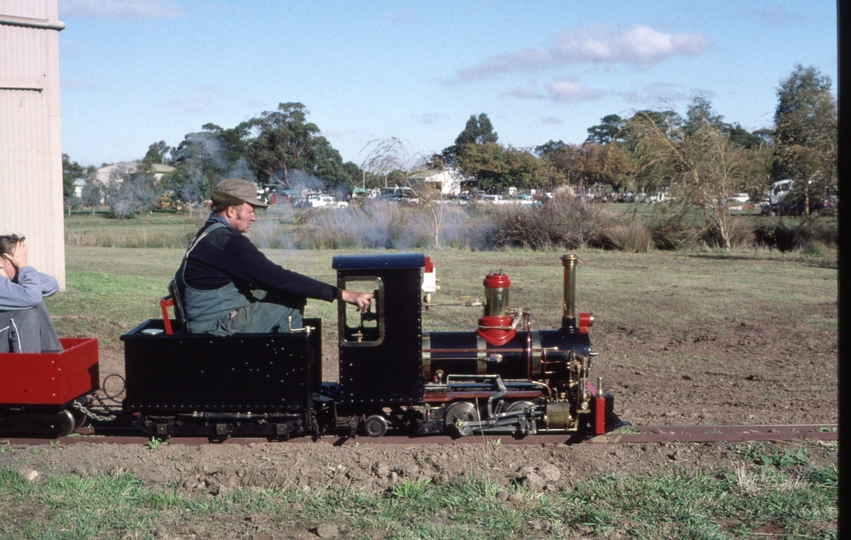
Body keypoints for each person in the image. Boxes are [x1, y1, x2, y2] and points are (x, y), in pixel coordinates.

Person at [175, 178, 373, 335]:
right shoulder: (228, 242)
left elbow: (267, 277)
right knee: (290, 304)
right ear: (231, 210)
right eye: (250, 211)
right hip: (213, 326)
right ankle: (288, 380)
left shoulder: (211, 232)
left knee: (283, 293)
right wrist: (341, 294)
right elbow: (277, 277)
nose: (254, 217)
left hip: (206, 318)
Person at [0, 234, 63, 353]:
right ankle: (28, 367)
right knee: (28, 310)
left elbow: (52, 285)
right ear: (1, 261)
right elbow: (32, 297)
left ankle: (52, 359)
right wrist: (23, 267)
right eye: (17, 260)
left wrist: (23, 270)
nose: (20, 265)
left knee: (34, 304)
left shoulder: (13, 281)